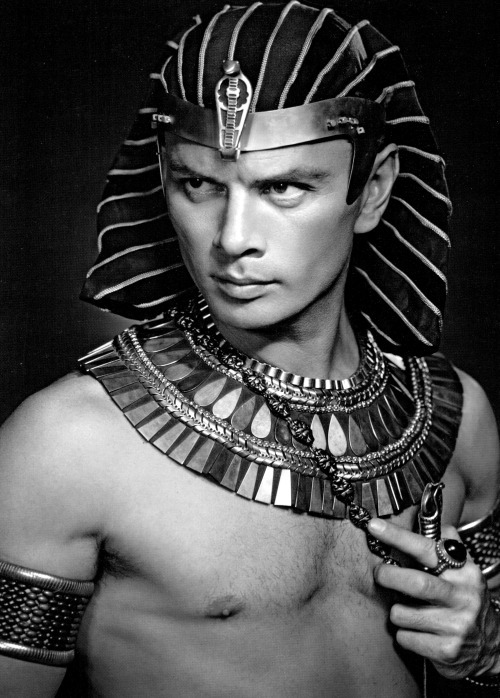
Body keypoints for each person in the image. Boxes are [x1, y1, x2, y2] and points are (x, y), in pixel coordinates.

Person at [0, 2, 499, 696]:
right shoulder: (66, 444)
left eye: (283, 187)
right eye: (199, 184)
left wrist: (486, 652)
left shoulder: (458, 420)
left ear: (374, 190)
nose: (232, 238)